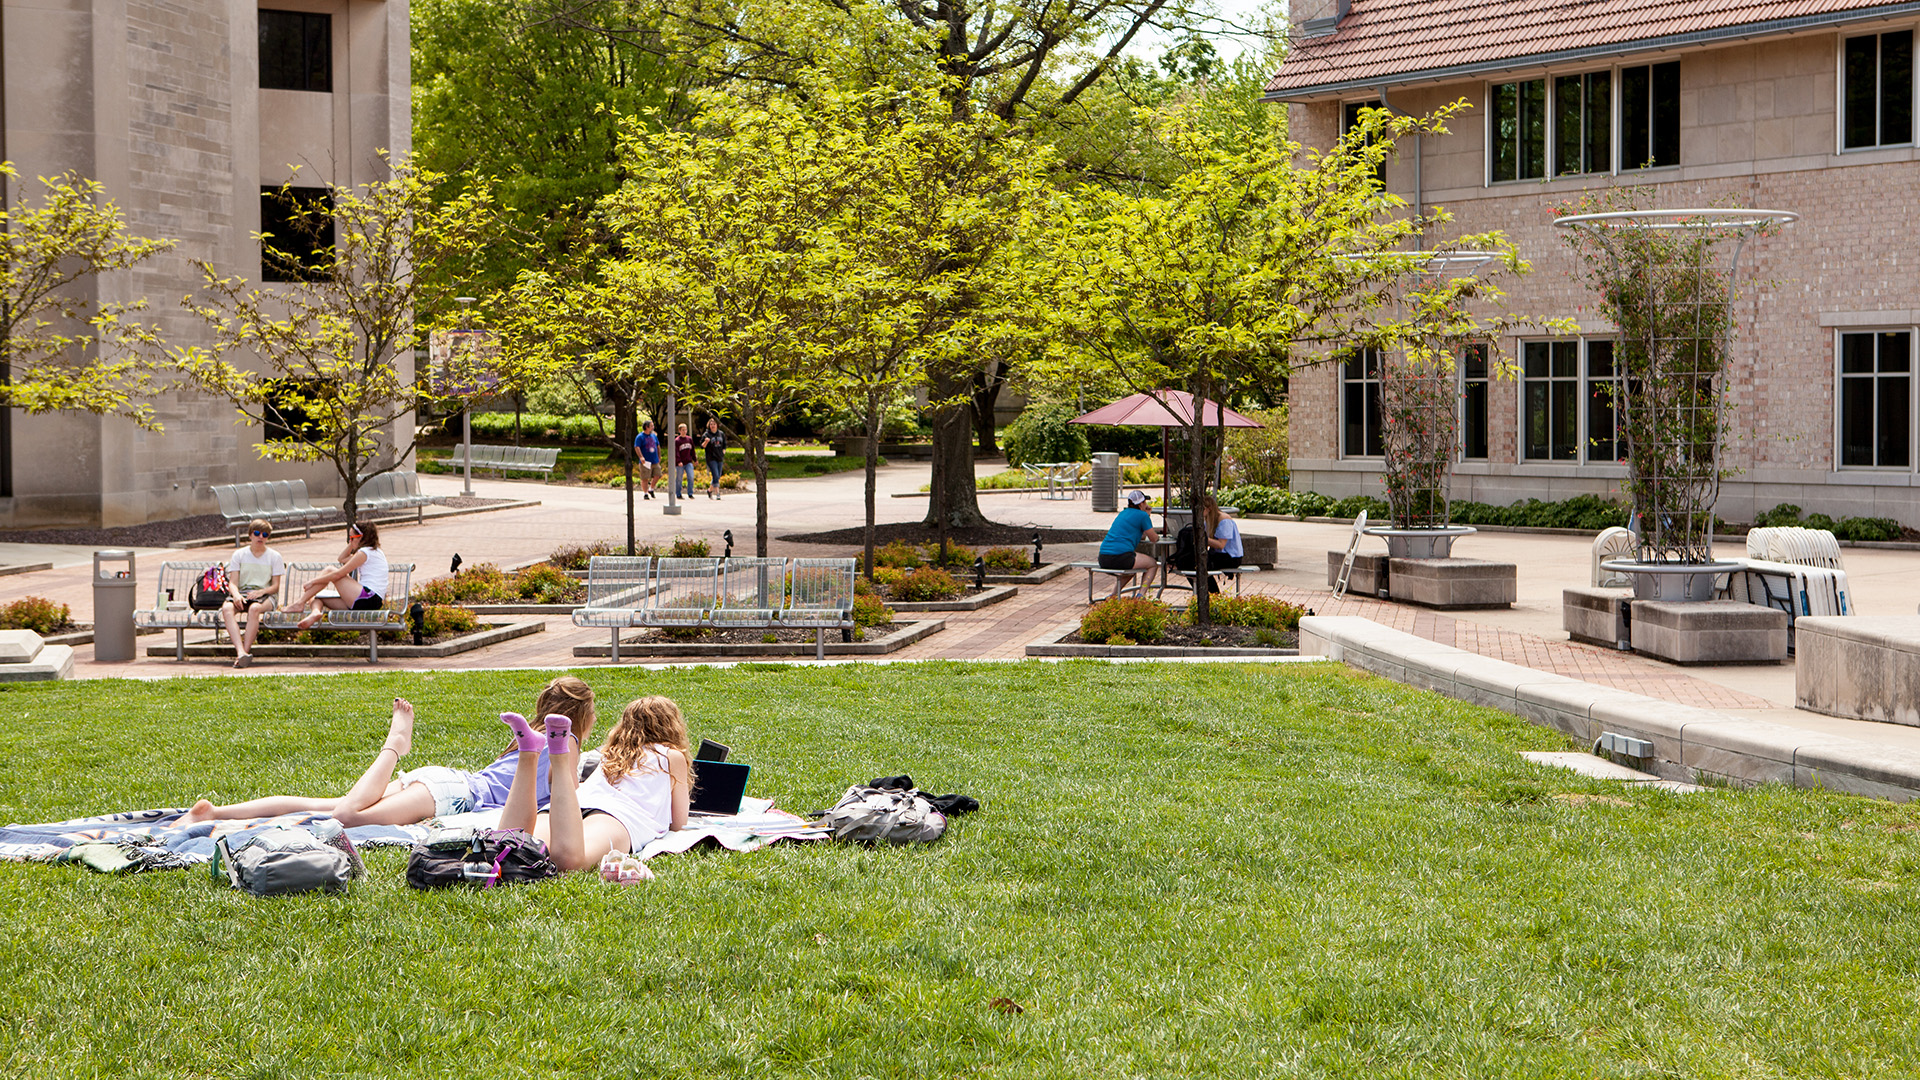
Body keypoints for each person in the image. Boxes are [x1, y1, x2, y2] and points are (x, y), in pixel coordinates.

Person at [178, 676, 598, 826]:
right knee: (347, 817)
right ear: (583, 717)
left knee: (329, 807)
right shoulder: (567, 744)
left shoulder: (532, 738)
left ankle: (215, 813)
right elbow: (566, 801)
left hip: (444, 783)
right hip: (452, 795)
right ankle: (396, 744)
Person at [498, 695, 690, 872]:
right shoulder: (671, 756)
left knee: (509, 848)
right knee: (569, 862)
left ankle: (528, 752)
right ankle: (559, 755)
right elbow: (679, 823)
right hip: (619, 817)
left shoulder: (612, 752)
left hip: (575, 804)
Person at [292, 520, 387, 630]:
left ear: (361, 537)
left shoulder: (365, 553)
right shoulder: (373, 552)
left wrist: (313, 581)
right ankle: (315, 613)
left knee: (329, 570)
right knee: (316, 595)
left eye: (352, 538)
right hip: (363, 601)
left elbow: (337, 575)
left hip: (369, 597)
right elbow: (341, 558)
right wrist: (352, 543)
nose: (350, 541)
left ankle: (299, 603)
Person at [221, 518, 285, 669]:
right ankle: (241, 652)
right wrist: (236, 595)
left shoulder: (274, 556)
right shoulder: (239, 555)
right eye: (257, 533)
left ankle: (245, 652)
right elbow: (233, 583)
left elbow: (275, 587)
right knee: (227, 608)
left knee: (254, 609)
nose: (260, 537)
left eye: (265, 534)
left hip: (266, 595)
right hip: (243, 593)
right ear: (250, 535)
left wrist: (261, 592)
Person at [1173, 492, 1244, 594]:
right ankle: (1203, 591)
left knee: (1199, 564)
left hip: (1230, 557)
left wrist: (1201, 538)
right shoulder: (1208, 521)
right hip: (1217, 554)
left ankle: (1212, 593)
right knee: (1187, 562)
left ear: (1208, 508)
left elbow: (1221, 545)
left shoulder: (1224, 520)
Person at [1096, 489, 1160, 599]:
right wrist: (1148, 516)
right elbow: (1153, 538)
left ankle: (1113, 596)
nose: (1146, 504)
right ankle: (1141, 595)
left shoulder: (1123, 513)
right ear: (1141, 504)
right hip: (1121, 557)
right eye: (1145, 502)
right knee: (1153, 564)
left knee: (1130, 571)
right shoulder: (1142, 516)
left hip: (1103, 558)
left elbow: (1142, 536)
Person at [699, 417, 728, 500]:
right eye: (711, 424)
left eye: (714, 424)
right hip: (711, 458)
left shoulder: (721, 434)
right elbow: (702, 446)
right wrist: (706, 441)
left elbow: (724, 444)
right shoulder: (706, 434)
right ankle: (718, 493)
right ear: (709, 425)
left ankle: (709, 490)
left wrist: (723, 451)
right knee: (715, 475)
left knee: (717, 476)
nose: (712, 426)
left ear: (717, 425)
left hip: (719, 457)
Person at [633, 419, 661, 500]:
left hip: (654, 460)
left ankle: (651, 489)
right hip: (645, 461)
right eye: (651, 426)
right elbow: (637, 447)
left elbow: (658, 446)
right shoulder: (640, 437)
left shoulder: (654, 436)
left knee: (658, 474)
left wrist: (659, 456)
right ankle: (645, 493)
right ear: (646, 427)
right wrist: (641, 457)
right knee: (645, 478)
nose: (653, 427)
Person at [672, 423, 697, 500]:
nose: (685, 431)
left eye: (685, 430)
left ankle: (690, 493)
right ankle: (678, 493)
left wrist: (695, 459)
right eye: (683, 430)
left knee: (691, 477)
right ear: (679, 431)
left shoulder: (689, 439)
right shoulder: (677, 441)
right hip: (680, 463)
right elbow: (676, 452)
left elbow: (692, 450)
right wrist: (678, 461)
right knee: (679, 478)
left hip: (688, 462)